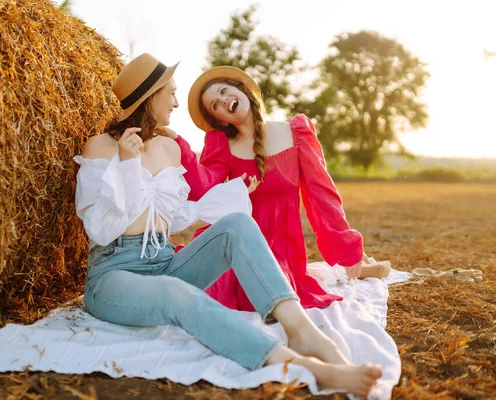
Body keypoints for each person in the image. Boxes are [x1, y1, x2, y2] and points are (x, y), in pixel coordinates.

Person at [73, 53, 381, 398]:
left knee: (236, 222)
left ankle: (301, 329)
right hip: (114, 274)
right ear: (151, 96)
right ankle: (300, 366)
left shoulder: (169, 149)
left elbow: (175, 218)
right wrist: (128, 165)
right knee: (178, 294)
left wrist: (233, 196)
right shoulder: (100, 147)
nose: (176, 102)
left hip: (163, 261)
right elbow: (100, 229)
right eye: (171, 93)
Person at [161, 66, 384, 312]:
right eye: (215, 105)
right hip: (235, 239)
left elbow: (322, 194)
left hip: (281, 245)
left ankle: (357, 270)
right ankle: (349, 271)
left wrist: (345, 246)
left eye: (224, 91)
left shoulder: (295, 131)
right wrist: (179, 143)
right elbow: (203, 189)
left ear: (243, 91)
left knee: (262, 292)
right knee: (207, 289)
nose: (223, 100)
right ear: (221, 120)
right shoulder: (223, 146)